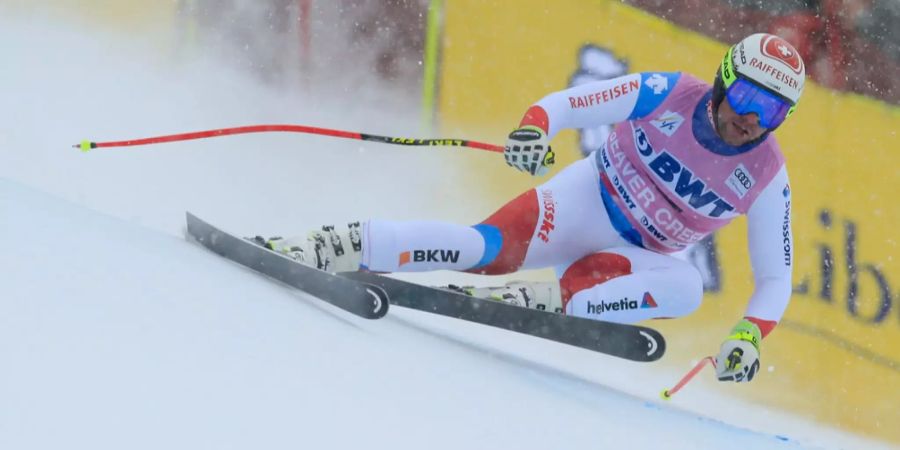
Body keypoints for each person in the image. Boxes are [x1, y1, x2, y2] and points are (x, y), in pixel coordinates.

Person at [262, 33, 803, 384]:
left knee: (686, 289)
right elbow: (566, 106)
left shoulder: (765, 174)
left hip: (635, 258)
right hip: (587, 201)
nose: (753, 119)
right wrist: (534, 128)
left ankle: (549, 299)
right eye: (750, 98)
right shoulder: (669, 93)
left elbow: (775, 278)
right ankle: (336, 244)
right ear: (724, 80)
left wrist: (749, 335)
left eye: (773, 110)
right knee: (482, 249)